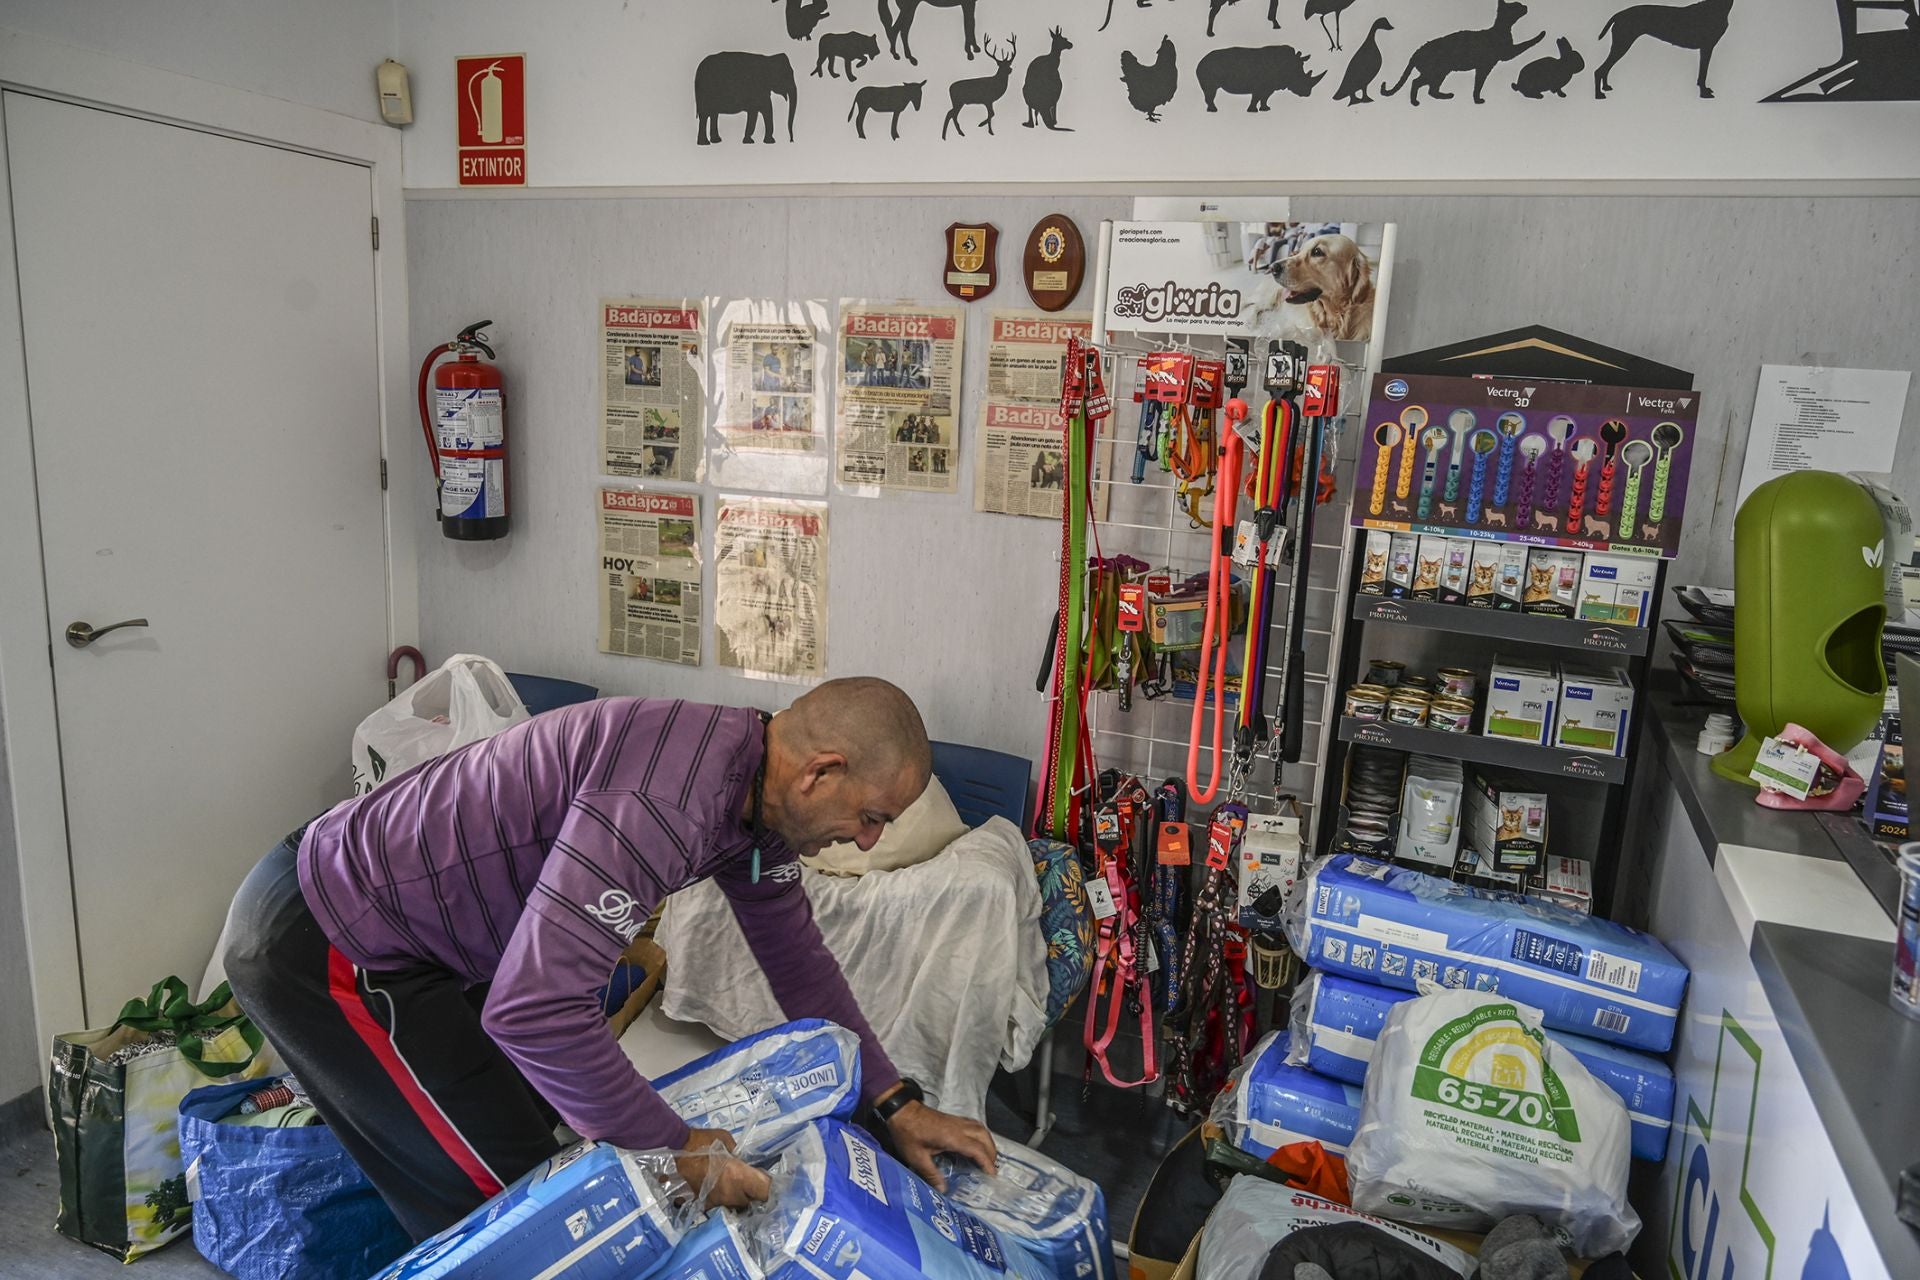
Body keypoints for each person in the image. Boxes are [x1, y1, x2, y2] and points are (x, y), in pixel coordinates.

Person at [223, 678, 996, 1241]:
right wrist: (675, 1146)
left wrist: (893, 1101)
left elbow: (796, 957)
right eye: (869, 819)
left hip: (426, 945)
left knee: (550, 1156)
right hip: (330, 937)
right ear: (819, 772)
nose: (865, 843)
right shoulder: (667, 801)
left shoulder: (754, 801)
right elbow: (534, 1010)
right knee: (521, 1216)